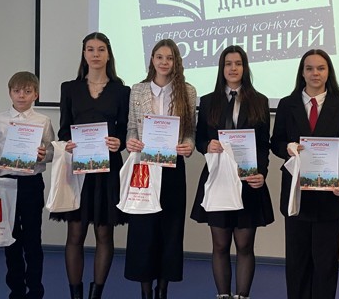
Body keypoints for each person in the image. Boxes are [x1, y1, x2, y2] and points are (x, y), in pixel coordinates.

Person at [50, 32, 130, 299]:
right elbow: (63, 129)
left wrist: (119, 142)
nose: (96, 54)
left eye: (101, 49)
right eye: (90, 49)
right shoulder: (69, 88)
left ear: (108, 54)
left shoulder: (121, 91)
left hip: (108, 169)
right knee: (75, 233)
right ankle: (76, 295)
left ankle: (96, 295)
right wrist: (68, 143)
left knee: (104, 234)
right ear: (84, 54)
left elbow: (124, 130)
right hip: (78, 169)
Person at [190, 45, 274, 299]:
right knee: (220, 244)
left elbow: (263, 145)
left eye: (238, 63)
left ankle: (243, 295)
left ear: (245, 68)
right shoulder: (208, 101)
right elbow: (199, 139)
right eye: (228, 64)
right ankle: (223, 295)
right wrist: (207, 145)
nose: (233, 68)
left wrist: (262, 173)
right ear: (222, 68)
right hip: (218, 180)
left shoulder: (259, 101)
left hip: (248, 181)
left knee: (245, 245)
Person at [270, 49, 339, 299]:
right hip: (296, 194)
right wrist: (287, 148)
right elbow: (275, 143)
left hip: (329, 195)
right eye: (309, 68)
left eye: (321, 68)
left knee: (326, 263)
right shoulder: (287, 104)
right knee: (297, 262)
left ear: (329, 72)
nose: (315, 73)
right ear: (302, 72)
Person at [125, 39, 196, 299]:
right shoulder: (138, 90)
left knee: (171, 230)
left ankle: (162, 289)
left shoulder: (187, 91)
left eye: (170, 58)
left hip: (173, 169)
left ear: (176, 62)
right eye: (159, 57)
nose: (164, 62)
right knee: (143, 231)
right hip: (144, 167)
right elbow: (131, 128)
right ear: (152, 60)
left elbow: (190, 131)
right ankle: (145, 291)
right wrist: (130, 142)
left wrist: (188, 145)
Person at [0, 71, 55, 299]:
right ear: (10, 93)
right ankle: (16, 290)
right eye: (17, 91)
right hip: (6, 183)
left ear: (36, 94)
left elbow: (52, 151)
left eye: (27, 91)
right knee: (11, 238)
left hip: (31, 184)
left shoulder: (43, 121)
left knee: (33, 239)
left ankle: (35, 290)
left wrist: (44, 155)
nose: (21, 95)